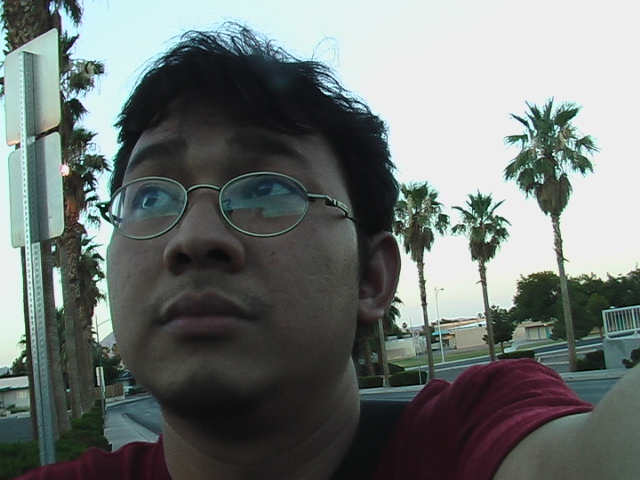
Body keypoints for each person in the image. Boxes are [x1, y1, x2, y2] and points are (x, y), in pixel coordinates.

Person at [15, 23, 639, 480]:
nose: (193, 238)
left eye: (266, 190)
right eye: (151, 197)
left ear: (372, 277)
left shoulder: (468, 439)